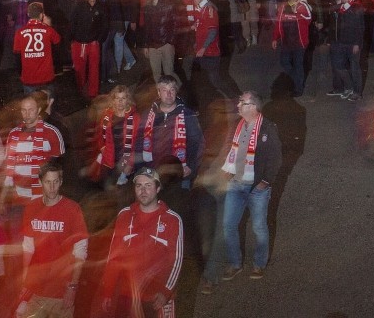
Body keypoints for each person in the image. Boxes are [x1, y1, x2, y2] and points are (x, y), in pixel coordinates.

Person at [201, 90, 283, 291]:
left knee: (259, 228)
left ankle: (259, 264)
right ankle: (235, 263)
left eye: (242, 102)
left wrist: (266, 181)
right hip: (236, 185)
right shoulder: (239, 126)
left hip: (257, 188)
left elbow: (276, 158)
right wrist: (228, 170)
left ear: (253, 107)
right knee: (229, 226)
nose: (237, 105)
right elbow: (233, 150)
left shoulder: (267, 128)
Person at [94, 168, 184, 318]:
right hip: (127, 294)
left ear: (158, 188)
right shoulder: (124, 215)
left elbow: (176, 260)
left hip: (157, 296)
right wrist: (107, 291)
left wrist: (166, 291)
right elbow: (114, 256)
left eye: (148, 185)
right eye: (139, 186)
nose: (143, 190)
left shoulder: (172, 220)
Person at [17, 160, 88, 318]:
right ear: (41, 182)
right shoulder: (32, 208)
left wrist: (72, 287)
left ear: (61, 182)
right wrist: (24, 281)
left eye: (56, 182)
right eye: (48, 182)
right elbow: (28, 248)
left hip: (62, 292)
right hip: (36, 290)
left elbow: (81, 251)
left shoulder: (73, 209)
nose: (52, 187)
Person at [139, 75, 204, 191]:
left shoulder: (188, 115)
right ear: (158, 93)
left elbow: (198, 143)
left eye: (172, 90)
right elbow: (139, 141)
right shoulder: (148, 115)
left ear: (176, 92)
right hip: (155, 172)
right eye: (165, 90)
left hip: (180, 173)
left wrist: (190, 166)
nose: (169, 94)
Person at [4, 95, 68, 202]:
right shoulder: (13, 134)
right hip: (17, 196)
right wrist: (3, 199)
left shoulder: (52, 132)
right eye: (24, 110)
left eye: (31, 110)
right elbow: (8, 169)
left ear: (38, 110)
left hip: (42, 197)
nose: (27, 114)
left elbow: (59, 166)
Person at [90, 84, 142, 188]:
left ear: (128, 100)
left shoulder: (135, 118)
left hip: (125, 160)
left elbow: (139, 143)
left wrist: (130, 163)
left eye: (123, 98)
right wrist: (103, 148)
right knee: (108, 188)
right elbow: (100, 134)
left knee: (123, 191)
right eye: (117, 98)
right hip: (109, 159)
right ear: (113, 100)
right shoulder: (106, 116)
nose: (120, 102)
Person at [65, 0, 108, 102]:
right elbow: (72, 23)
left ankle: (93, 92)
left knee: (94, 68)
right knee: (79, 68)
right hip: (79, 42)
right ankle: (79, 89)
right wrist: (70, 40)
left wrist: (98, 40)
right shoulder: (80, 6)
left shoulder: (101, 7)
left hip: (93, 43)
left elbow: (105, 25)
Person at [273, 0, 313, 97]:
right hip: (286, 41)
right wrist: (275, 38)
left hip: (299, 42)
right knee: (284, 62)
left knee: (298, 65)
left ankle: (298, 88)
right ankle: (296, 80)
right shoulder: (283, 6)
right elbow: (278, 22)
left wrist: (297, 12)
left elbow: (308, 19)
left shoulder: (302, 5)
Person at [327, 0, 365, 100]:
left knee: (355, 67)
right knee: (338, 65)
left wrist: (357, 43)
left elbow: (360, 28)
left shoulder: (356, 7)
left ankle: (357, 92)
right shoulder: (343, 7)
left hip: (352, 44)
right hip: (342, 42)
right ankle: (349, 87)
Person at [16, 3, 63, 96]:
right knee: (48, 106)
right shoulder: (48, 30)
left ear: (28, 14)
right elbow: (58, 41)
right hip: (46, 77)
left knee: (31, 107)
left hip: (29, 78)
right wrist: (47, 25)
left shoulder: (19, 32)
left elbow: (17, 54)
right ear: (42, 15)